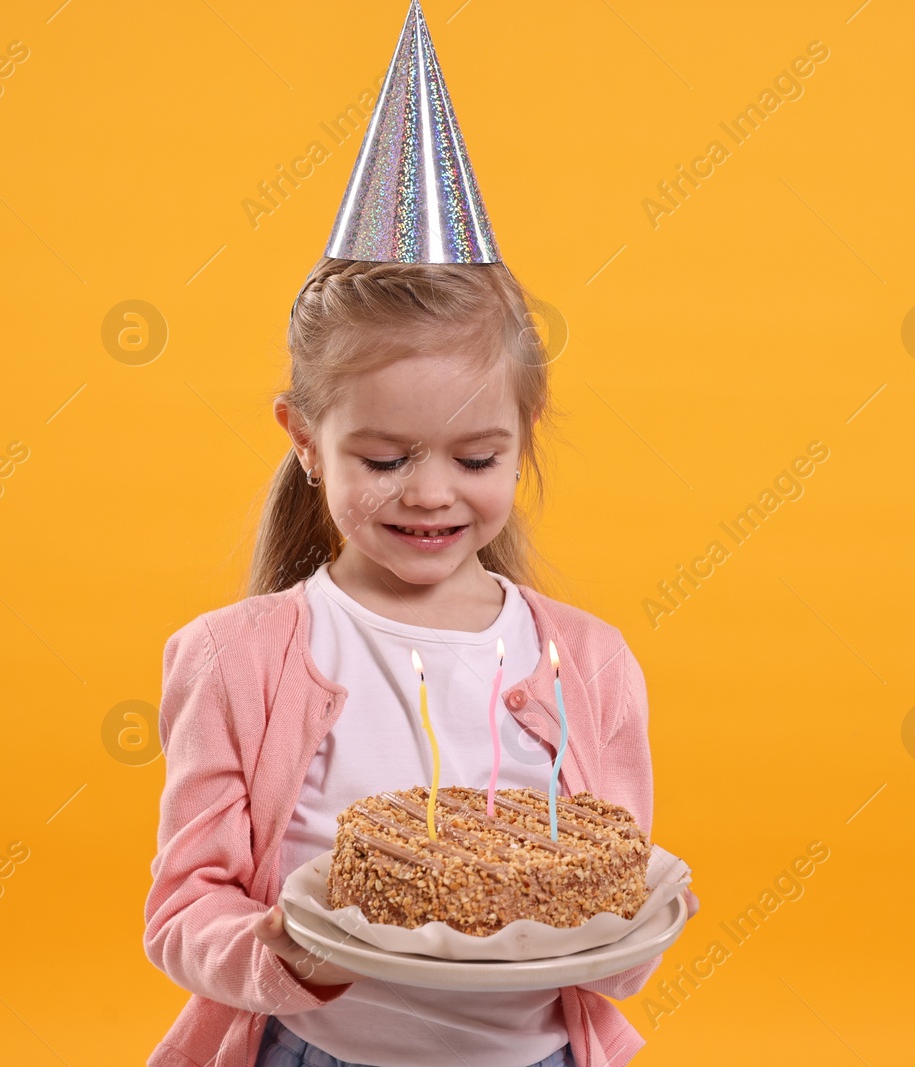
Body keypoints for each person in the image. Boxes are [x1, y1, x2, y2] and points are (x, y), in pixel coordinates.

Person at [142, 5, 693, 1066]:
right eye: (385, 459)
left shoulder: (588, 663)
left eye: (476, 459)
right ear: (305, 438)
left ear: (522, 437)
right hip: (318, 1049)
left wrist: (635, 931)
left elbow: (613, 907)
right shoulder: (234, 659)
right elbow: (183, 908)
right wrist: (275, 951)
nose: (430, 495)